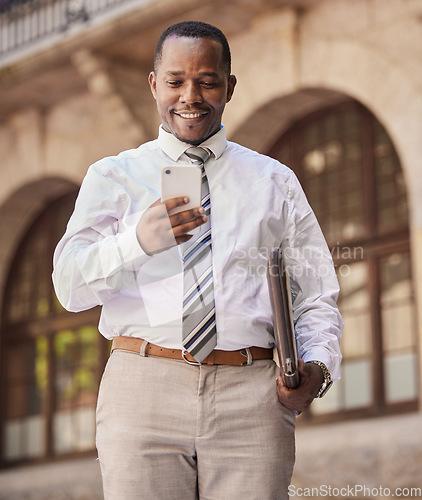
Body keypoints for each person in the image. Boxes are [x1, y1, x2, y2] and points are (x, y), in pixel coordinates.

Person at [53, 20, 343, 500]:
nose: (191, 95)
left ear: (229, 87)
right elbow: (68, 286)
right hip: (142, 389)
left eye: (207, 81)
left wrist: (316, 366)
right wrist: (137, 241)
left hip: (250, 394)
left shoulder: (274, 181)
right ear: (154, 84)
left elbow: (315, 293)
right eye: (175, 81)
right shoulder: (112, 176)